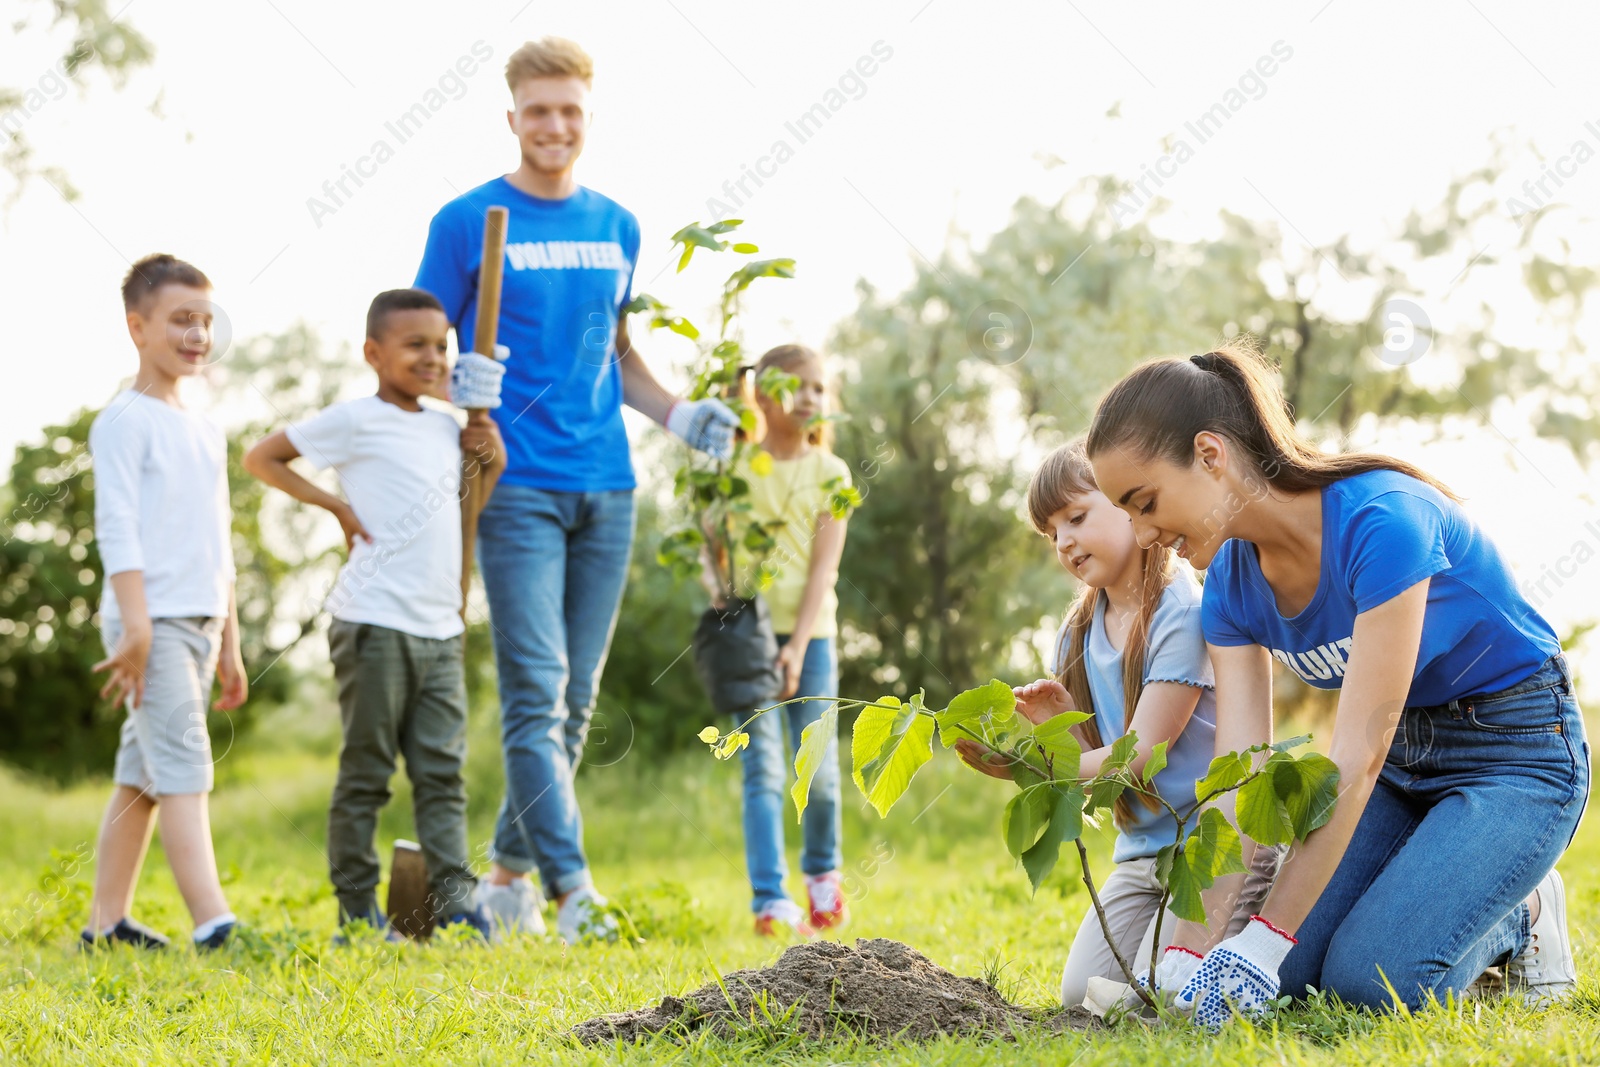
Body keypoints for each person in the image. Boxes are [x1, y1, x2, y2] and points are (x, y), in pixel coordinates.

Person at [1085, 339, 1589, 1024]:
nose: (1142, 535)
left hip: (1515, 749)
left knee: (1371, 981)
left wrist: (1263, 938)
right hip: (1404, 761)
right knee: (1292, 980)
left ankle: (1524, 912)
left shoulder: (1381, 521)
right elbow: (1242, 777)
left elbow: (1356, 751)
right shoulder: (1227, 588)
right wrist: (1188, 949)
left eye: (1145, 502)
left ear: (1210, 454)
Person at [412, 37, 738, 944]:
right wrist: (455, 384)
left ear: (587, 118)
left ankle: (509, 876)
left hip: (608, 484)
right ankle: (573, 890)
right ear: (511, 115)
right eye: (538, 110)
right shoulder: (466, 220)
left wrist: (678, 415)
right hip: (513, 481)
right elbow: (416, 350)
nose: (554, 126)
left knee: (575, 702)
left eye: (571, 112)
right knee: (536, 690)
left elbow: (620, 356)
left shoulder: (617, 225)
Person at [954, 438, 1281, 1008]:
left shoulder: (1179, 613)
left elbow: (1136, 759)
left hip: (1209, 849)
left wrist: (1031, 769)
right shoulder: (1076, 632)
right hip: (1142, 853)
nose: (1065, 541)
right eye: (1052, 532)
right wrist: (1063, 725)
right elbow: (1106, 783)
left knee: (1148, 995)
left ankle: (1266, 929)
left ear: (1127, 507)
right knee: (1083, 994)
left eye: (1077, 517)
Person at [243, 289, 505, 941]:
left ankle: (455, 906)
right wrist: (334, 507)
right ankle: (357, 912)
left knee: (442, 773)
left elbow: (473, 505)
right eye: (414, 344)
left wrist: (491, 456)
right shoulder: (356, 420)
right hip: (374, 622)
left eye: (440, 345)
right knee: (367, 772)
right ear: (374, 352)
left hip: (442, 627)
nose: (431, 357)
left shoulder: (451, 426)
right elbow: (262, 458)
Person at [83, 254, 246, 951]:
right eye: (181, 320)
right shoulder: (124, 420)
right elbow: (117, 527)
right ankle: (214, 922)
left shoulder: (206, 427)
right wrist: (139, 624)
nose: (196, 335)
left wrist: (231, 640)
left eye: (205, 322)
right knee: (183, 762)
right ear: (137, 326)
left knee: (143, 775)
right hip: (148, 617)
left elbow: (219, 537)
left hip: (200, 618)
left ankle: (105, 924)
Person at [721, 345, 852, 937]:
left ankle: (822, 876)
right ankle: (770, 899)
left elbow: (823, 568)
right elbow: (714, 550)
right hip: (749, 634)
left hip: (813, 634)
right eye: (795, 385)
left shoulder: (833, 474)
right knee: (763, 770)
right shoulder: (735, 470)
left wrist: (797, 646)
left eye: (819, 388)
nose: (809, 397)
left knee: (817, 766)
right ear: (763, 392)